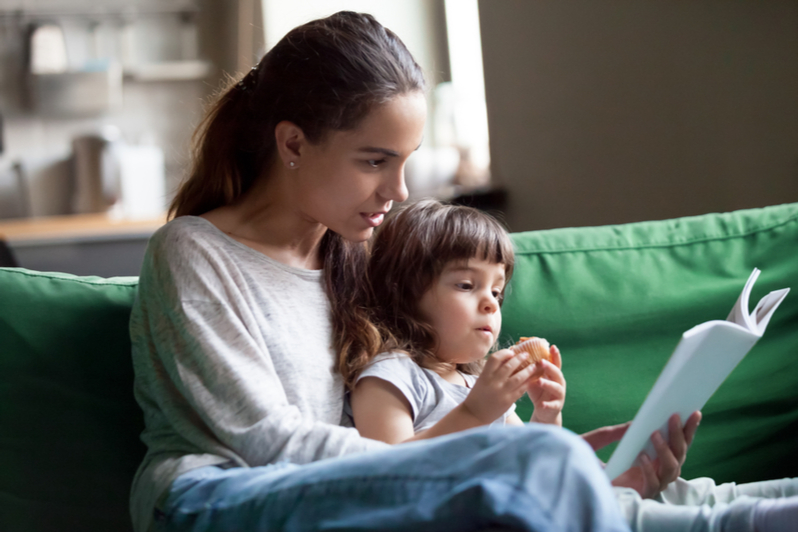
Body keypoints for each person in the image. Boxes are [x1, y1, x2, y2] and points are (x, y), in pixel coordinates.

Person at [129, 11, 632, 531]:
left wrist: (538, 448)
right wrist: (481, 455)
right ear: (294, 144)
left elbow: (431, 400)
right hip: (215, 497)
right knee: (537, 473)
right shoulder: (195, 253)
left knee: (568, 477)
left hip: (352, 493)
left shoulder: (359, 256)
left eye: (406, 161)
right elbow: (266, 441)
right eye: (374, 162)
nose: (399, 191)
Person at [346, 198, 798, 532]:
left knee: (685, 491)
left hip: (536, 502)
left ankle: (769, 501)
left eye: (498, 292)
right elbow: (382, 476)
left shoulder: (475, 383)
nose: (489, 303)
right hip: (495, 517)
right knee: (633, 515)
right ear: (404, 292)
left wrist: (547, 418)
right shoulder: (391, 376)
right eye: (467, 284)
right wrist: (473, 415)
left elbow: (535, 462)